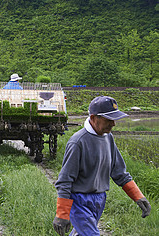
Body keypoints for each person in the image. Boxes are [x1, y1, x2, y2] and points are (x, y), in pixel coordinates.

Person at [53, 96, 151, 236]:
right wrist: (62, 214)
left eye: (114, 119)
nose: (113, 124)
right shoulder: (78, 142)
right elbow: (65, 180)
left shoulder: (108, 138)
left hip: (99, 200)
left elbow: (120, 173)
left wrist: (138, 197)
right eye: (108, 119)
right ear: (94, 117)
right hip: (79, 201)